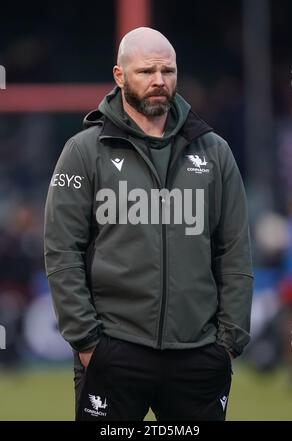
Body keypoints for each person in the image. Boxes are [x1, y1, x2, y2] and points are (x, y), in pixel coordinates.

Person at [44, 27, 253, 421]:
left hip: (199, 354)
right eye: (146, 71)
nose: (159, 81)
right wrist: (88, 343)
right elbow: (61, 252)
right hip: (113, 349)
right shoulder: (83, 152)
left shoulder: (215, 151)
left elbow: (235, 252)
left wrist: (228, 344)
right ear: (120, 76)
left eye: (168, 71)